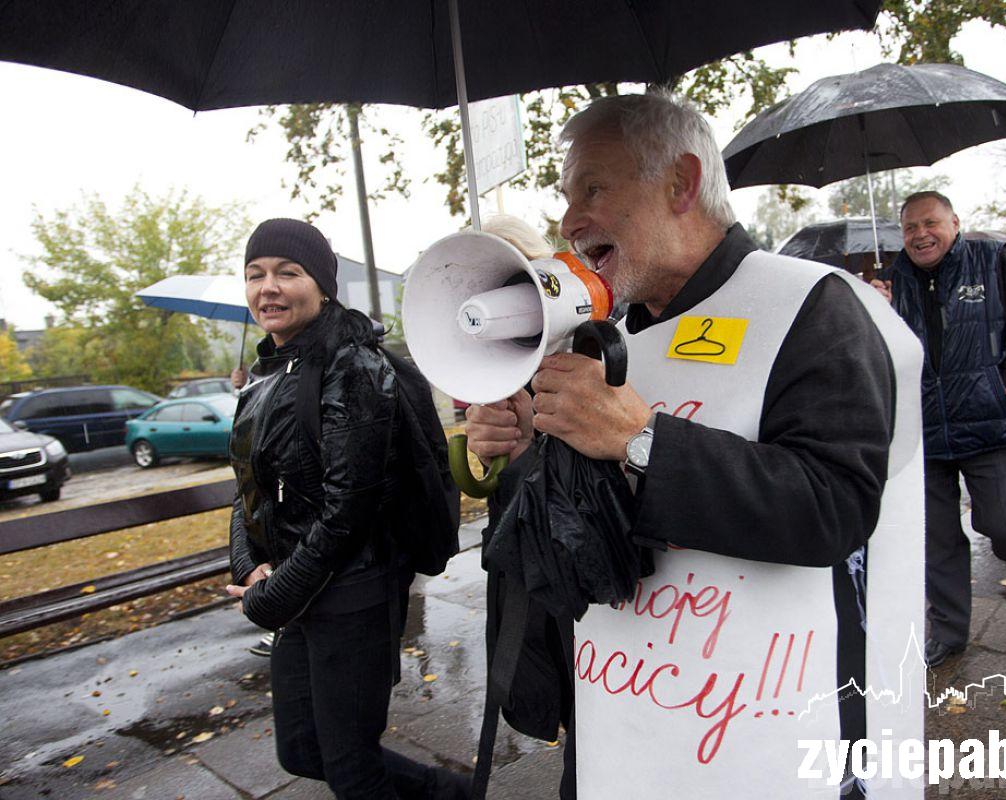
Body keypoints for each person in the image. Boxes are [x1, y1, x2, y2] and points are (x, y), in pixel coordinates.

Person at [466, 93, 922, 798]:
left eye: (592, 188)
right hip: (615, 724)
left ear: (680, 183)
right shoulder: (605, 334)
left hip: (759, 739)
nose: (568, 220)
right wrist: (534, 448)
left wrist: (639, 440)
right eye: (566, 196)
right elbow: (583, 531)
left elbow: (834, 506)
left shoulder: (810, 306)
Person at [225, 218, 468, 800]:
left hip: (352, 588)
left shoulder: (353, 366)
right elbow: (248, 489)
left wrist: (271, 595)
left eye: (289, 272)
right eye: (256, 275)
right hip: (299, 587)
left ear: (324, 286)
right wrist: (247, 564)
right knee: (302, 750)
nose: (269, 288)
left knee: (352, 769)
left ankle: (459, 794)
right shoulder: (265, 373)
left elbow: (348, 511)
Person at [873, 191, 1006, 667]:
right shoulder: (891, 281)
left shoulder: (991, 261)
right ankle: (949, 632)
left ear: (954, 221)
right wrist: (875, 313)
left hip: (988, 423)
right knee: (938, 539)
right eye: (909, 228)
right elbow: (879, 357)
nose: (920, 235)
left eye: (930, 223)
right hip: (924, 433)